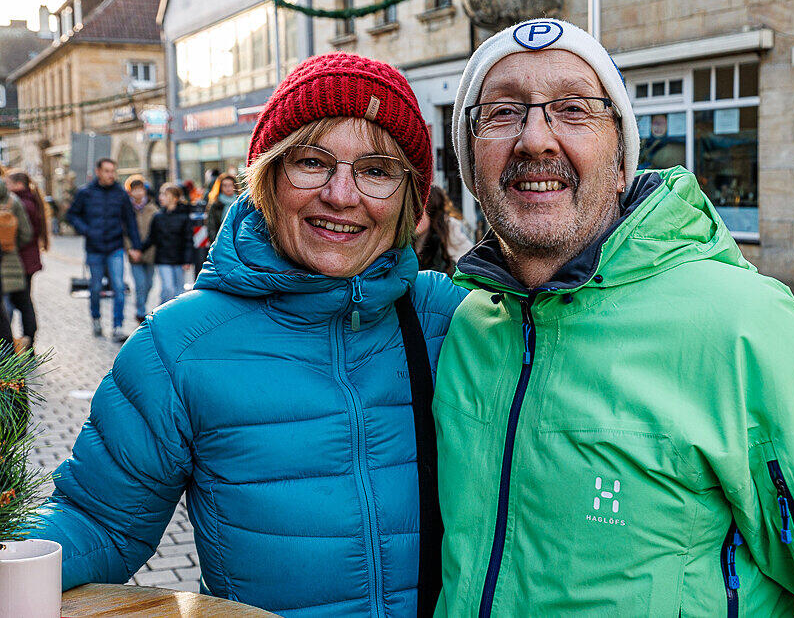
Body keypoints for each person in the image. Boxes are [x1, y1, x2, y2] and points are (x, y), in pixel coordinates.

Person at [433, 19, 794, 616]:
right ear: (471, 160)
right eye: (503, 112)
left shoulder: (747, 329)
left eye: (574, 109)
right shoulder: (468, 327)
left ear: (622, 159)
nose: (536, 139)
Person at [24, 53, 466, 616]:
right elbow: (99, 521)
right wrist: (20, 556)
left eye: (377, 171)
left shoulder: (444, 318)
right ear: (267, 179)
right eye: (312, 162)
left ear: (409, 198)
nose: (342, 195)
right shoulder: (180, 344)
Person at [65, 158, 142, 342]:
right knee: (96, 287)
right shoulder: (86, 193)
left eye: (113, 171)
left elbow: (130, 221)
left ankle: (117, 326)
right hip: (94, 248)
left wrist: (136, 246)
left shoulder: (121, 194)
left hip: (115, 247)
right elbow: (71, 215)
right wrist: (86, 230)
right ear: (98, 171)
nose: (110, 175)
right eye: (107, 171)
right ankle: (96, 318)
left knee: (119, 287)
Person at [5, 171, 47, 352]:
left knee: (20, 303)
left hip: (21, 261)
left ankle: (25, 344)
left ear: (17, 184)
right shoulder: (30, 200)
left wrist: (10, 248)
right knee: (23, 302)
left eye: (8, 182)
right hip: (26, 260)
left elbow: (25, 234)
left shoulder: (21, 203)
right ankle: (25, 343)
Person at [142, 183, 192, 305]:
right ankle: (162, 314)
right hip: (163, 259)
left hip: (180, 259)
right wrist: (139, 249)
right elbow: (151, 238)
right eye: (160, 194)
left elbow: (188, 240)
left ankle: (177, 317)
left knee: (179, 292)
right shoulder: (158, 217)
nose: (161, 197)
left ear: (175, 198)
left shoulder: (184, 217)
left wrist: (187, 260)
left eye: (165, 194)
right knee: (168, 288)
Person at [413, 185, 473, 276]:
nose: (413, 217)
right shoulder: (401, 244)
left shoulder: (450, 238)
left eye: (419, 211)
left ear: (431, 211)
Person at [124, 175, 158, 322]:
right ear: (130, 192)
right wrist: (130, 249)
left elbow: (157, 231)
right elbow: (124, 232)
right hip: (134, 254)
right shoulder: (127, 209)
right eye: (135, 190)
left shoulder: (153, 209)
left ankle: (142, 304)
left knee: (150, 283)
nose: (138, 193)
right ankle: (140, 311)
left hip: (151, 253)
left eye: (140, 190)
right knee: (140, 284)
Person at [205, 170, 240, 244]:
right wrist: (216, 244)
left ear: (235, 186)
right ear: (220, 187)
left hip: (239, 242)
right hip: (222, 242)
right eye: (225, 185)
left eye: (230, 185)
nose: (228, 188)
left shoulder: (241, 203)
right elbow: (211, 228)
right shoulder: (215, 205)